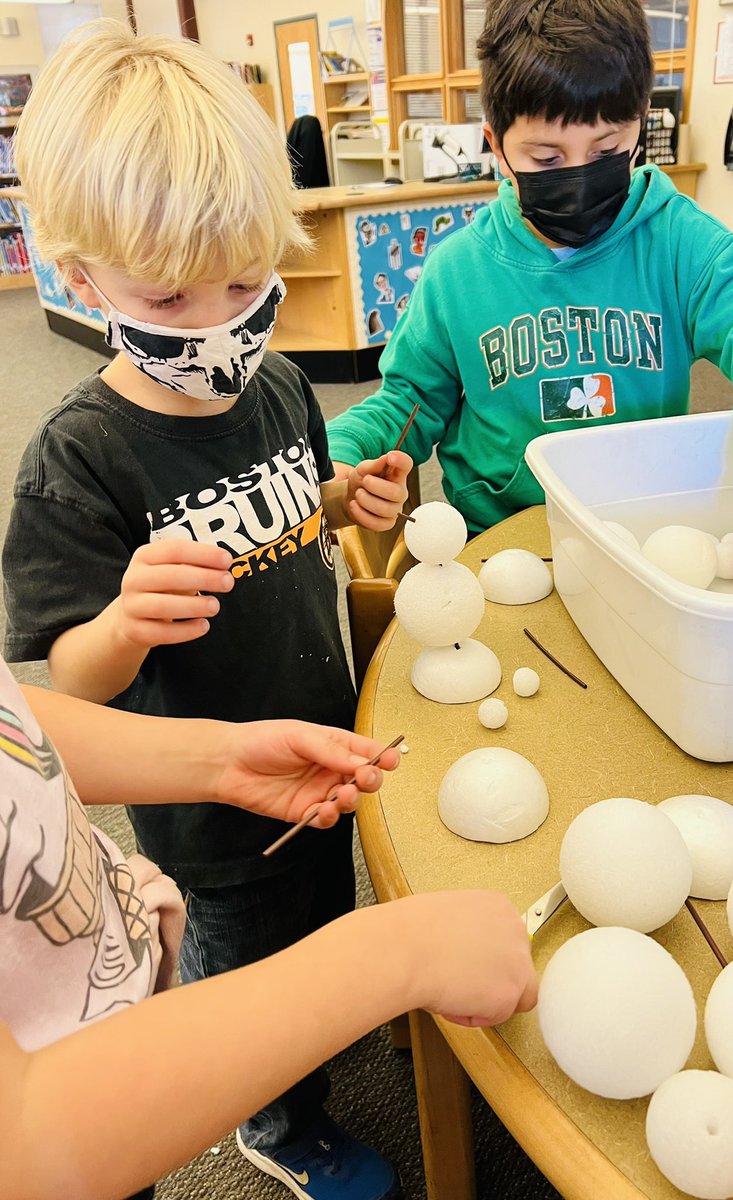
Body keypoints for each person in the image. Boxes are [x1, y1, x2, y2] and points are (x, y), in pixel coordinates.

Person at [2, 21, 415, 1199]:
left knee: (323, 918)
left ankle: (315, 1037)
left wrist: (341, 499)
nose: (217, 325)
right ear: (82, 278)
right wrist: (123, 624)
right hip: (204, 804)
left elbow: (281, 516)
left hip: (307, 735)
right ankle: (274, 1122)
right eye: (169, 295)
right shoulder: (79, 464)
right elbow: (40, 699)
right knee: (252, 970)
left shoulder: (280, 384)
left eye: (244, 281)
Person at [326, 0, 733, 588]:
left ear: (640, 123)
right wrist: (346, 449)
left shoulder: (676, 241)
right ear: (496, 146)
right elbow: (408, 403)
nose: (578, 173)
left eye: (604, 151)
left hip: (640, 541)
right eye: (546, 157)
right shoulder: (456, 272)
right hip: (501, 550)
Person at [0, 658, 538, 1200]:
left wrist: (219, 760)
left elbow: (12, 723)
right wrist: (401, 954)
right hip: (83, 1125)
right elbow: (23, 1150)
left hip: (101, 1012)